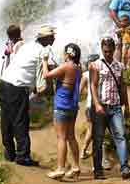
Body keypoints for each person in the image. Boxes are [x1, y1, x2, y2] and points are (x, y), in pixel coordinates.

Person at [0, 24, 56, 166]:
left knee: (6, 118)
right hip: (18, 87)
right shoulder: (42, 52)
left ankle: (9, 153)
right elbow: (43, 77)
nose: (54, 37)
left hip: (5, 82)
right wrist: (43, 90)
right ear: (46, 38)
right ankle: (23, 156)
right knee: (20, 121)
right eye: (52, 35)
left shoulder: (28, 45)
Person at [90, 36, 130, 180]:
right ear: (102, 49)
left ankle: (125, 167)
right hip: (100, 107)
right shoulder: (95, 65)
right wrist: (96, 104)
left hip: (115, 108)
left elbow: (123, 87)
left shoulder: (119, 66)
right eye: (105, 51)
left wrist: (127, 106)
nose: (107, 53)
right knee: (98, 139)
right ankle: (98, 170)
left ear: (114, 49)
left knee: (120, 137)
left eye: (109, 51)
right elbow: (93, 85)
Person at [42, 43, 82, 180]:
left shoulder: (66, 66)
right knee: (71, 137)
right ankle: (76, 167)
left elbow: (46, 75)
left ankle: (60, 168)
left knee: (61, 137)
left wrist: (44, 61)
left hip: (62, 105)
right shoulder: (78, 67)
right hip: (73, 106)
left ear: (68, 54)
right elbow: (65, 77)